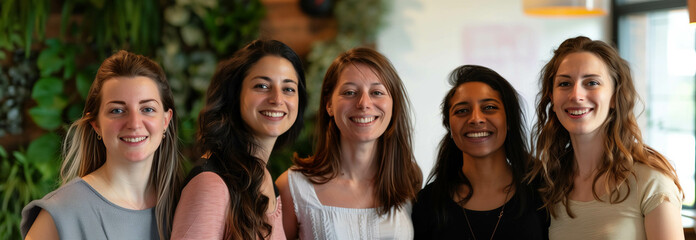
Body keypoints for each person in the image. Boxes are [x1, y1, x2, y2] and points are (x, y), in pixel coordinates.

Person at [528, 36, 684, 239]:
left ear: (614, 97)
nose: (576, 95)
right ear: (551, 97)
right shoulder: (550, 181)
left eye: (592, 82)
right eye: (565, 83)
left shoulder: (650, 180)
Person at [21, 50, 183, 240]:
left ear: (166, 120)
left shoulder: (185, 206)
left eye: (147, 109)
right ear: (96, 125)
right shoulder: (62, 213)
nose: (134, 123)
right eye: (117, 110)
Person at [276, 47, 422, 240]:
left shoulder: (408, 178)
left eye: (377, 92)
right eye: (350, 92)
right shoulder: (292, 187)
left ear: (393, 104)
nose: (364, 103)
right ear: (329, 104)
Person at [171, 39, 307, 240]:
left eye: (288, 89)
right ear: (234, 94)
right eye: (262, 86)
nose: (277, 99)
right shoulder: (212, 184)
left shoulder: (265, 177)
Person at [411, 65, 548, 239]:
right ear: (449, 126)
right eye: (462, 111)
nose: (475, 119)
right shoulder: (427, 204)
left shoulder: (542, 193)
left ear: (509, 120)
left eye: (489, 108)